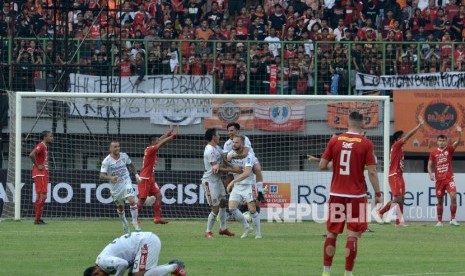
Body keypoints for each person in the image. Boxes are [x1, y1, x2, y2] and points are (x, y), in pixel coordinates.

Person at [319, 111, 382, 276]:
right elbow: (372, 172)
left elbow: (322, 165)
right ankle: (348, 273)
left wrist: (337, 163)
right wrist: (378, 193)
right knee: (352, 235)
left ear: (348, 122)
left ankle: (326, 272)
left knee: (332, 233)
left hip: (336, 193)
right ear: (362, 124)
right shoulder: (366, 143)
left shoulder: (335, 140)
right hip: (356, 196)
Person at [377, 116, 424, 227]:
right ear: (398, 139)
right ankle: (380, 212)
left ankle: (399, 222)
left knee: (401, 198)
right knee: (397, 198)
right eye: (402, 137)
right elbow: (409, 136)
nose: (404, 139)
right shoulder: (396, 145)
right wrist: (419, 126)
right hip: (394, 175)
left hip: (399, 175)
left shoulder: (400, 149)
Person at [83, 232, 186, 276]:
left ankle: (175, 267)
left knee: (139, 275)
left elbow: (122, 264)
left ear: (96, 273)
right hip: (141, 246)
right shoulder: (103, 264)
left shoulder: (103, 262)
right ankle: (171, 265)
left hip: (145, 242)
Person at [137, 126, 178, 225]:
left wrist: (169, 132)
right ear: (152, 142)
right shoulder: (150, 149)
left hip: (150, 178)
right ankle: (135, 220)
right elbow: (162, 142)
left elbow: (161, 139)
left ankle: (157, 218)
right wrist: (172, 137)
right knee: (142, 200)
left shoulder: (152, 147)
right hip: (144, 178)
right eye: (157, 140)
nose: (159, 140)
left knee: (158, 195)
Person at [202, 128, 237, 238]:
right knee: (215, 208)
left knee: (223, 202)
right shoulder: (209, 150)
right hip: (209, 181)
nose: (219, 136)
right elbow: (217, 169)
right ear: (213, 137)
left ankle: (223, 229)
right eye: (218, 135)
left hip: (217, 180)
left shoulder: (217, 148)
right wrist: (233, 170)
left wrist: (237, 151)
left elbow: (225, 158)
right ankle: (208, 231)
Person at [100, 141, 140, 234]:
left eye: (118, 146)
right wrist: (110, 177)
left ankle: (135, 222)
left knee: (132, 200)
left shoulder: (124, 156)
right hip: (116, 187)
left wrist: (136, 175)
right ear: (110, 149)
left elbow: (131, 164)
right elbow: (101, 175)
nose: (117, 148)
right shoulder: (107, 161)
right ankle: (125, 223)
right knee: (120, 207)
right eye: (115, 147)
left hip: (126, 181)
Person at [226, 135, 262, 239]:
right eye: (233, 142)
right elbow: (225, 165)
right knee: (232, 208)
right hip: (238, 186)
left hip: (248, 185)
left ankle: (258, 233)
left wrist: (232, 182)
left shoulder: (249, 156)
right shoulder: (230, 155)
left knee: (252, 210)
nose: (234, 144)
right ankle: (247, 227)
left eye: (236, 142)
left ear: (242, 144)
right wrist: (231, 167)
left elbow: (246, 173)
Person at [428, 125, 462, 227]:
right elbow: (429, 164)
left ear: (446, 141)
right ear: (437, 142)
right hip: (439, 180)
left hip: (449, 178)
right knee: (440, 200)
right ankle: (439, 221)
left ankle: (453, 219)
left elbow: (458, 142)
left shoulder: (450, 149)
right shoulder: (433, 152)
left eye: (443, 140)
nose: (442, 142)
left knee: (453, 196)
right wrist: (430, 173)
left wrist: (459, 132)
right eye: (440, 140)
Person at [224, 122, 266, 203]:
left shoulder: (245, 139)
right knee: (227, 181)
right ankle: (234, 197)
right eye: (228, 131)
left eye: (231, 130)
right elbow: (225, 160)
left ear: (237, 131)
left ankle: (260, 192)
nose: (229, 133)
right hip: (236, 163)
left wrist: (232, 157)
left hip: (249, 161)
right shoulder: (227, 144)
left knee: (257, 169)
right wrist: (232, 166)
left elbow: (245, 154)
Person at [29, 130, 53, 225]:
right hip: (40, 173)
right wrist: (38, 165)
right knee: (42, 196)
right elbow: (31, 154)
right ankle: (37, 219)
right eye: (50, 136)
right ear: (45, 137)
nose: (52, 138)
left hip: (42, 173)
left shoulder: (45, 147)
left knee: (40, 196)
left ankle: (37, 219)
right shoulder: (42, 145)